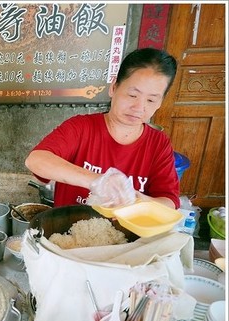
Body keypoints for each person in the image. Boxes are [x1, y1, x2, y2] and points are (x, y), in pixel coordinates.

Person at [25, 48, 180, 210]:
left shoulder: (158, 143)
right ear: (114, 87)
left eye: (151, 100)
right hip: (70, 231)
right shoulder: (81, 128)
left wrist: (138, 199)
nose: (139, 108)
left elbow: (169, 202)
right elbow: (36, 160)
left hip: (130, 234)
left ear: (161, 102)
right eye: (133, 95)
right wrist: (98, 181)